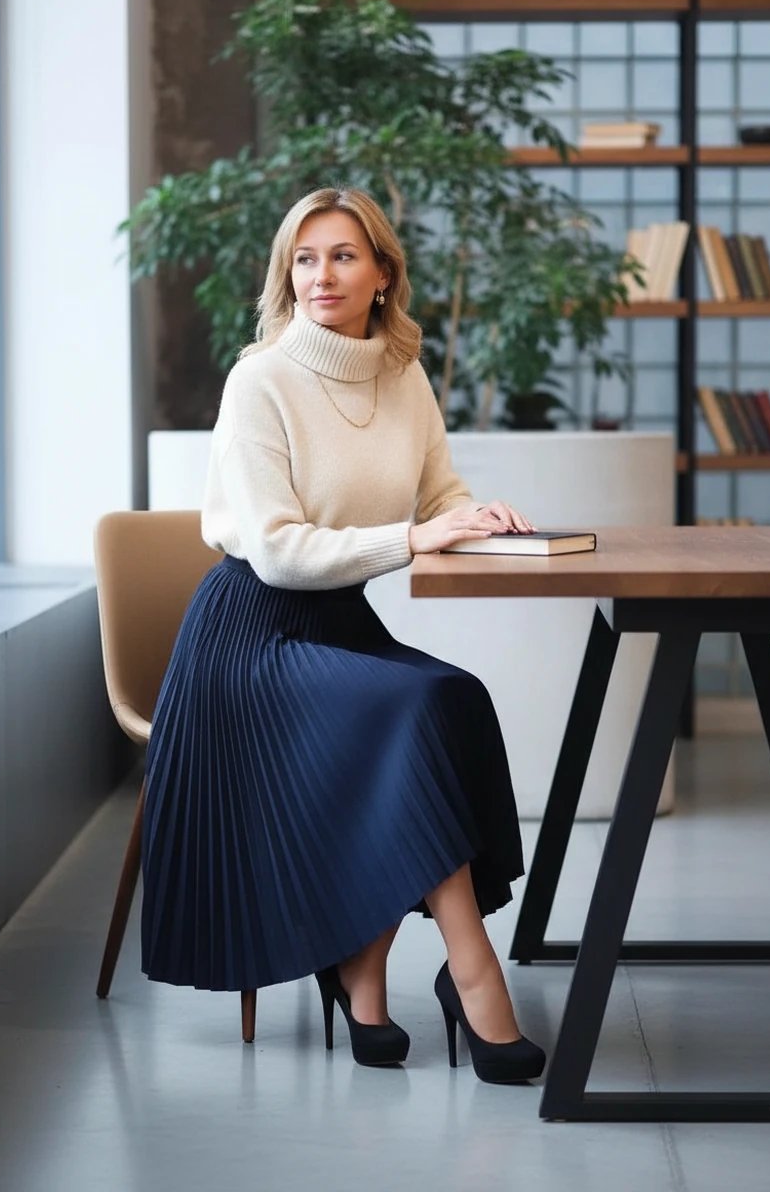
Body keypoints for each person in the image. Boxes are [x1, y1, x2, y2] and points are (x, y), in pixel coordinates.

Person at [141, 187, 545, 1084]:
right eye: (304, 258)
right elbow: (279, 551)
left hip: (339, 623)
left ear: (382, 273)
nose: (321, 275)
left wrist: (475, 516)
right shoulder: (261, 380)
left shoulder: (401, 372)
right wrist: (413, 539)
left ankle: (362, 978)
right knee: (417, 706)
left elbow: (436, 491)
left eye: (342, 256)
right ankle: (471, 972)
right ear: (288, 275)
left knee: (452, 699)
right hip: (248, 641)